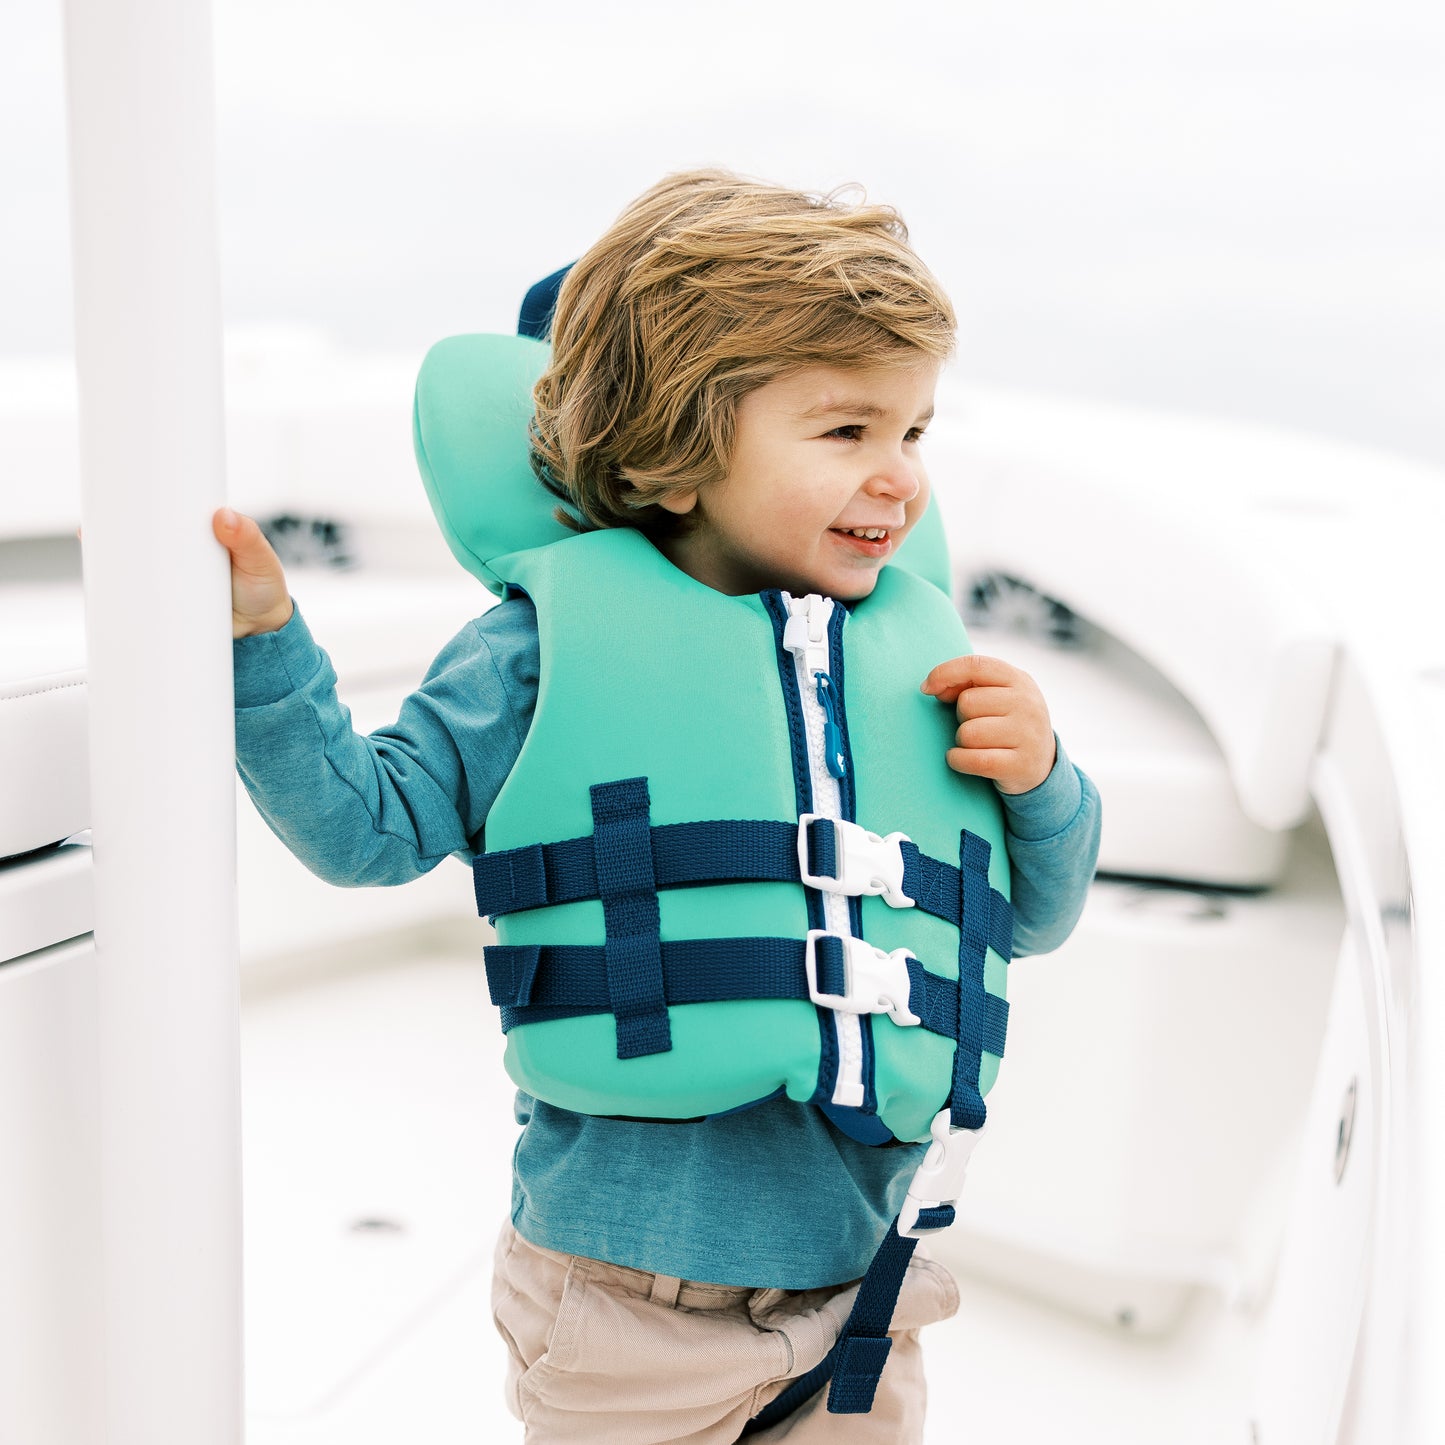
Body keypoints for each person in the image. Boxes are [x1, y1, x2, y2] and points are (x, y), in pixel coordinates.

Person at [215, 169, 1101, 1443]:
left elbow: (1026, 919)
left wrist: (1041, 777)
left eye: (913, 434)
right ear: (672, 457)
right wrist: (263, 651)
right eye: (846, 432)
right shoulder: (541, 652)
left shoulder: (919, 663)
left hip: (865, 1297)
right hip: (623, 1303)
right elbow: (368, 827)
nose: (898, 480)